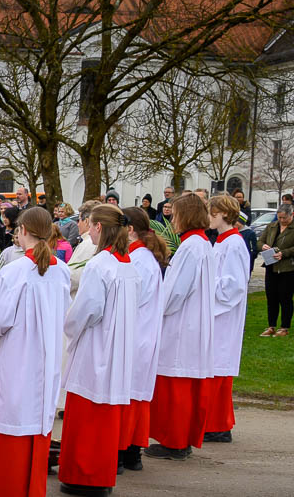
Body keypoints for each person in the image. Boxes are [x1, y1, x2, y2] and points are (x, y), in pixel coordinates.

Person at [0, 207, 68, 497]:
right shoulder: (60, 270)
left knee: (12, 414)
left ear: (23, 230)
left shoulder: (14, 271)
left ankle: (3, 485)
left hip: (18, 356)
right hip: (47, 355)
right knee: (36, 417)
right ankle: (31, 486)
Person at [58, 204, 141, 497]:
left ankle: (84, 476)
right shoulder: (127, 265)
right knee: (106, 416)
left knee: (87, 415)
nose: (88, 230)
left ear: (100, 228)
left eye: (91, 224)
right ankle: (101, 475)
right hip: (116, 348)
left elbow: (86, 310)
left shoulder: (98, 265)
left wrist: (67, 327)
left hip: (96, 346)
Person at [146, 194, 215, 461]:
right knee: (184, 386)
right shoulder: (201, 244)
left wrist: (156, 308)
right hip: (193, 322)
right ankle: (180, 439)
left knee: (177, 386)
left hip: (182, 324)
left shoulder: (190, 247)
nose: (171, 219)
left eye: (175, 214)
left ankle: (174, 441)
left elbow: (176, 292)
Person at [120, 208, 169, 472]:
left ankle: (123, 451)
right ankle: (132, 452)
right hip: (144, 335)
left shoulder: (137, 260)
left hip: (135, 334)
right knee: (135, 395)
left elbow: (130, 300)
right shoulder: (144, 257)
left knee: (127, 396)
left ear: (129, 230)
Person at [203, 194, 250, 444]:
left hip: (223, 314)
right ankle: (215, 422)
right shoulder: (221, 242)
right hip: (215, 312)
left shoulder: (234, 244)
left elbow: (233, 285)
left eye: (211, 212)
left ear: (222, 213)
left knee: (219, 369)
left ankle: (218, 424)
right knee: (213, 369)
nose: (208, 217)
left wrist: (205, 285)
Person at [259, 204, 294, 337]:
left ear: (291, 215)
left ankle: (284, 326)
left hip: (289, 268)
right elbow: (260, 241)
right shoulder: (272, 226)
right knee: (271, 297)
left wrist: (284, 253)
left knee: (285, 297)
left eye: (284, 218)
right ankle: (271, 325)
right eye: (279, 217)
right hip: (271, 266)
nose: (281, 220)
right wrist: (263, 246)